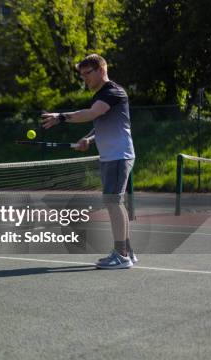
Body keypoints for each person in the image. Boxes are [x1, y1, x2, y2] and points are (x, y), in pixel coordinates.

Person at [41, 54, 136, 269]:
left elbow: (91, 114)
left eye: (88, 73)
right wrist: (89, 139)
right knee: (115, 201)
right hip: (113, 156)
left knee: (113, 202)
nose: (85, 79)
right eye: (82, 75)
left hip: (118, 156)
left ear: (101, 70)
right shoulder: (102, 94)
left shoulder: (112, 91)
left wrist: (61, 117)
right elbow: (102, 121)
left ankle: (121, 255)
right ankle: (126, 250)